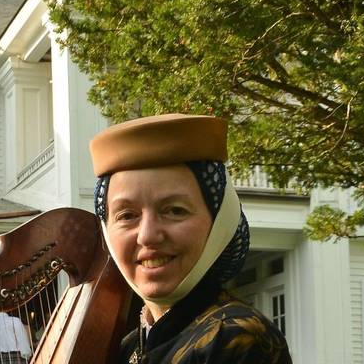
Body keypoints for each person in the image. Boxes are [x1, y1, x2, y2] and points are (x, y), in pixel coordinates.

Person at [90, 113, 292, 363]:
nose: (147, 235)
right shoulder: (129, 345)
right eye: (127, 215)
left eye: (175, 210)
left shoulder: (236, 337)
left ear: (220, 222)